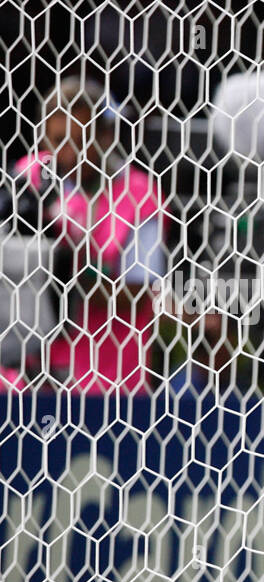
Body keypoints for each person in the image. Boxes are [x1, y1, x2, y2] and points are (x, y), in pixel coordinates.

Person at [13, 78, 166, 393]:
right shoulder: (29, 177)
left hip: (106, 383)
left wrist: (69, 271)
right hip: (24, 380)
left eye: (80, 141)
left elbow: (138, 293)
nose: (69, 154)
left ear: (105, 136)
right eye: (58, 140)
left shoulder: (139, 196)